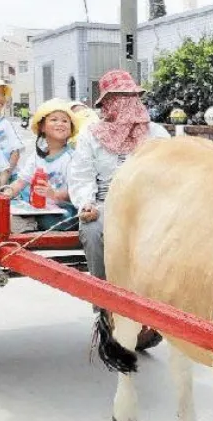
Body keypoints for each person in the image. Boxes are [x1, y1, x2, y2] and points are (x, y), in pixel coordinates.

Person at [67, 68, 169, 282]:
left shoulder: (156, 133)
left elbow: (172, 172)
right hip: (106, 203)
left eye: (131, 97)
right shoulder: (91, 134)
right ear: (107, 103)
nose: (127, 103)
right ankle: (102, 304)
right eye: (119, 98)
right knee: (92, 230)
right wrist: (86, 204)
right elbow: (82, 175)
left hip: (151, 204)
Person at [7, 99, 81, 230]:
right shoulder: (36, 157)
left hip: (63, 211)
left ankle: (30, 226)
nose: (60, 124)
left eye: (65, 121)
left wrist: (54, 194)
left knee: (53, 220)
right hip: (38, 208)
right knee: (8, 207)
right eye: (54, 120)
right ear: (42, 127)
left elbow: (76, 192)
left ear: (71, 128)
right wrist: (6, 193)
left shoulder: (73, 157)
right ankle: (29, 224)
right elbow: (20, 182)